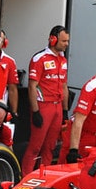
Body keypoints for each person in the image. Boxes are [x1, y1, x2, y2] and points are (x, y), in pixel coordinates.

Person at [22, 25, 69, 172]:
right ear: (53, 39)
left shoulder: (63, 60)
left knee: (50, 147)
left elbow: (64, 86)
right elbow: (32, 86)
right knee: (35, 146)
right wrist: (35, 111)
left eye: (67, 41)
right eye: (63, 41)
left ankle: (44, 179)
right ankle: (25, 179)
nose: (66, 44)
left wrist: (65, 111)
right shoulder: (39, 58)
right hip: (43, 106)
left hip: (57, 107)